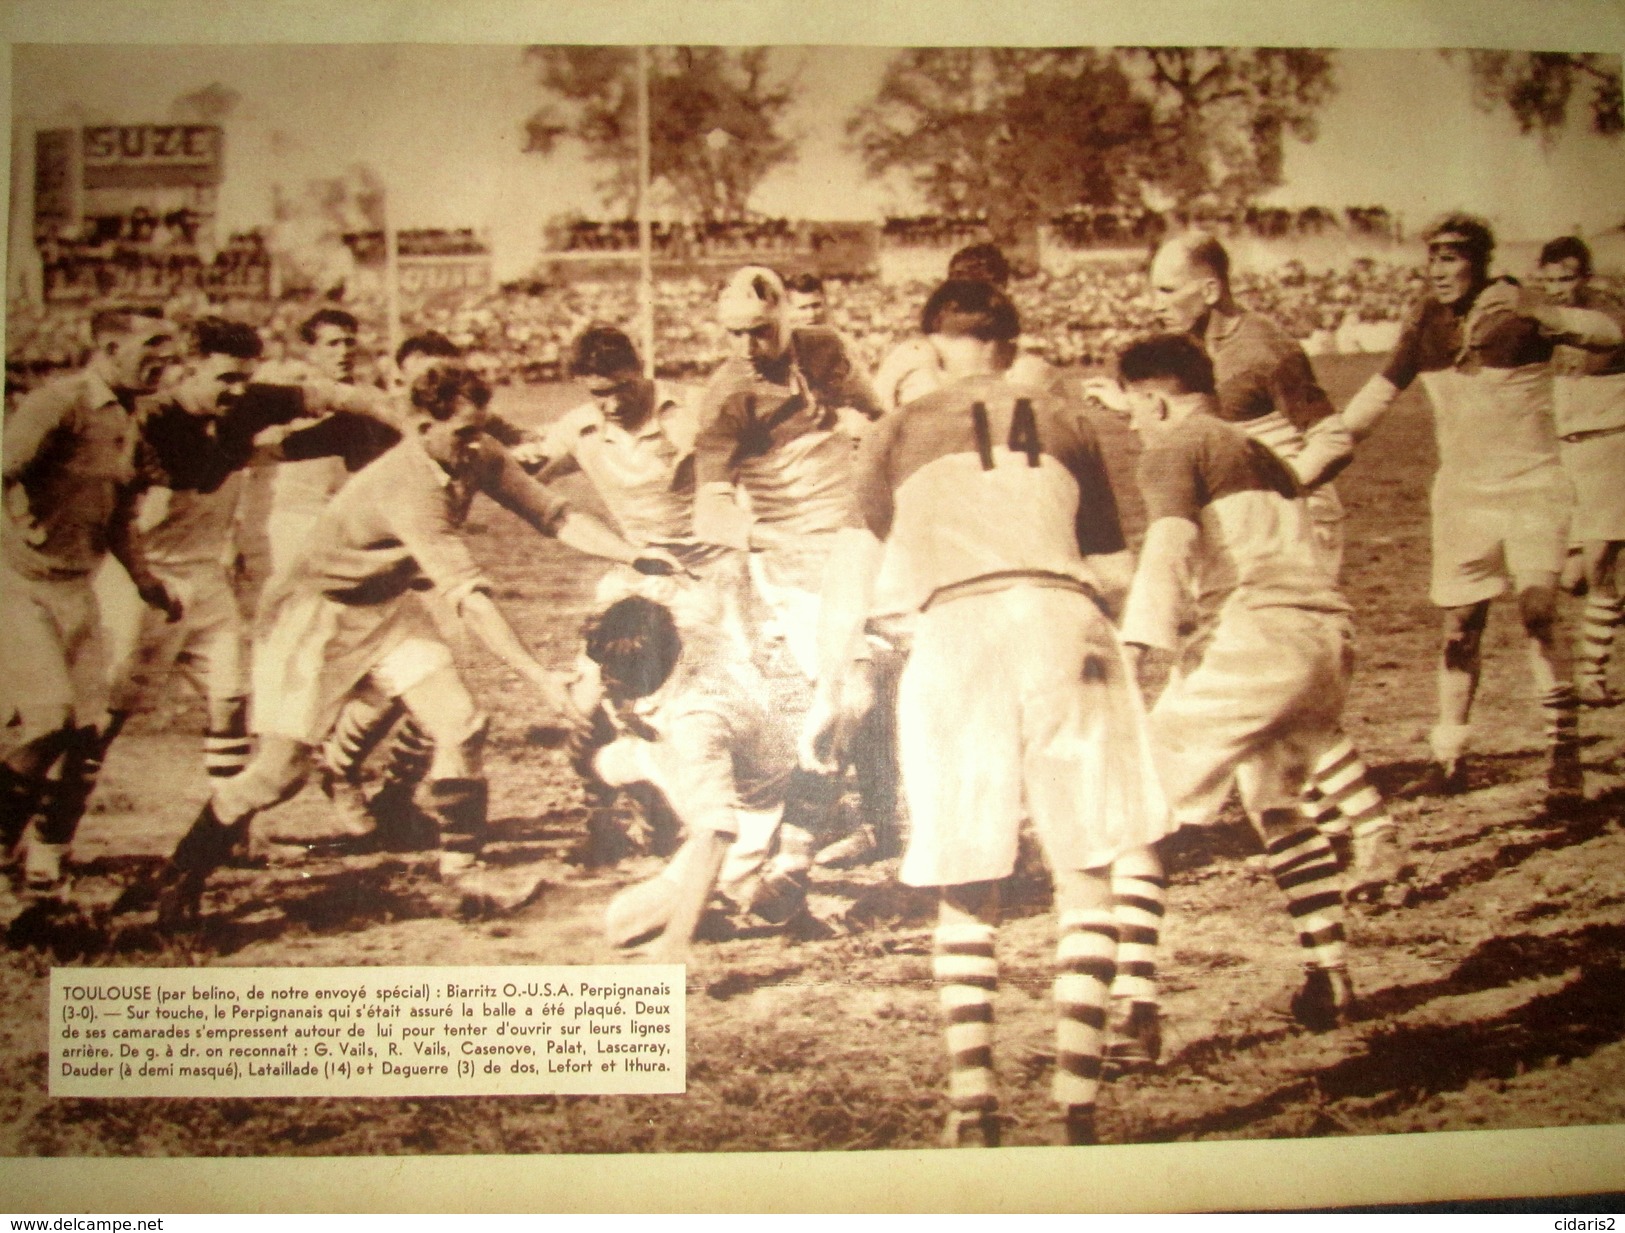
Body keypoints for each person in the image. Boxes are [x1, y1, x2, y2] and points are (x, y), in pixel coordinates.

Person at [802, 280, 1170, 1148]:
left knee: (967, 875)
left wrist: (827, 685)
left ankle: (973, 1102)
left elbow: (851, 570)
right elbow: (1116, 570)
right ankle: (1076, 1104)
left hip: (957, 629)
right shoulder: (1070, 418)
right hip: (1062, 613)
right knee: (1085, 865)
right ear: (1012, 341)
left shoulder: (894, 426)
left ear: (931, 344)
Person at [140, 363, 682, 927]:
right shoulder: (408, 484)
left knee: (463, 723)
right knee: (280, 774)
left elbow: (554, 515)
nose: (474, 444)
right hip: (315, 614)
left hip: (387, 608)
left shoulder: (475, 452)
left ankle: (463, 874)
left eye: (479, 429)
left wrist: (629, 554)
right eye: (462, 433)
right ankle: (180, 871)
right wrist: (540, 678)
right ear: (423, 425)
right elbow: (470, 599)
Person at [1115, 230, 1404, 900]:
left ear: (1208, 288)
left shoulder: (1262, 345)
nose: (1154, 302)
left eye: (1165, 288)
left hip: (1282, 511)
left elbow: (1328, 433)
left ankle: (1363, 825)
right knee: (1270, 681)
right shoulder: (1192, 357)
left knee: (1264, 663)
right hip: (1236, 504)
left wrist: (1281, 483)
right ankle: (1350, 824)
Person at [1113, 332, 1361, 1034]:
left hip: (1255, 638)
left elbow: (1167, 549)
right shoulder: (1258, 448)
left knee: (1139, 803)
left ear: (1155, 399)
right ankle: (1329, 974)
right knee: (1278, 803)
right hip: (1324, 637)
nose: (1130, 424)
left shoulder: (1174, 444)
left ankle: (1133, 1005)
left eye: (1132, 408)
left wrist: (1136, 647)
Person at [1339, 214, 1619, 806]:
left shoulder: (1521, 309)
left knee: (1539, 612)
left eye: (1452, 258)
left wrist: (1547, 314)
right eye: (1433, 258)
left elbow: (1609, 334)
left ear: (1481, 262)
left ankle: (1564, 754)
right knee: (1460, 627)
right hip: (1463, 494)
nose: (1439, 270)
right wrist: (1317, 456)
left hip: (1532, 486)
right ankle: (1449, 758)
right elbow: (1377, 397)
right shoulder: (1425, 321)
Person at [1, 306, 181, 892]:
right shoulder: (59, 402)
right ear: (107, 344)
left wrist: (145, 580)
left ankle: (17, 854)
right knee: (49, 718)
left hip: (76, 586)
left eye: (170, 349)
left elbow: (121, 515)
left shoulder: (132, 416)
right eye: (153, 345)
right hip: (20, 583)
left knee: (82, 729)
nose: (166, 359)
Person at [570, 596, 816, 960]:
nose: (607, 684)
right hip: (728, 749)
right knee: (603, 762)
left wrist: (675, 941)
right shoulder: (682, 632)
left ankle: (762, 886)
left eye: (617, 680)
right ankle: (662, 824)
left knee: (623, 923)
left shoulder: (699, 723)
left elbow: (716, 834)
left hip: (756, 807)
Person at [1535, 236, 1625, 706]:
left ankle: (1592, 676)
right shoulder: (1547, 327)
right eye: (1548, 280)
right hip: (1564, 456)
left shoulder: (1606, 316)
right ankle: (1606, 622)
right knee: (1572, 579)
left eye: (1566, 279)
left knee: (1597, 565)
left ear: (1584, 278)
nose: (1556, 289)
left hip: (1611, 448)